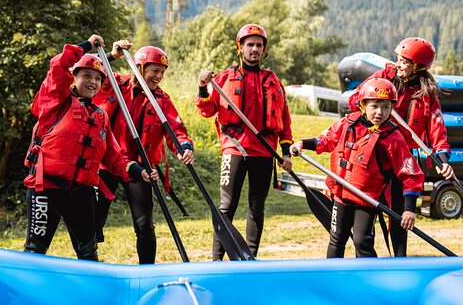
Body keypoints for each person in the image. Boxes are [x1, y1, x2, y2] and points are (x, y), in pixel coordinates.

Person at [23, 35, 156, 261]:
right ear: (74, 78)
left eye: (97, 78)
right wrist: (87, 45)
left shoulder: (100, 116)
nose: (92, 82)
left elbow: (115, 157)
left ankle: (93, 295)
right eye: (86, 76)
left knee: (88, 251)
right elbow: (58, 64)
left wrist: (138, 171)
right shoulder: (55, 100)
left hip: (80, 192)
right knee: (36, 250)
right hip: (46, 186)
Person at [291, 78, 425, 258]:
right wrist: (302, 144)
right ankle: (333, 277)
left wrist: (409, 208)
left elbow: (411, 174)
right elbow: (326, 140)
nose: (380, 112)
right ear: (363, 105)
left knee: (362, 241)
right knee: (337, 238)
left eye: (386, 107)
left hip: (367, 200)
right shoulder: (348, 123)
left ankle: (367, 280)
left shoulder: (393, 137)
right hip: (341, 195)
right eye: (375, 106)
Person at [348, 37, 454, 257]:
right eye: (398, 59)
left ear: (418, 67)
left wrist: (442, 158)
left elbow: (437, 127)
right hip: (373, 155)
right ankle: (365, 259)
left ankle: (399, 259)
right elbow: (354, 102)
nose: (398, 64)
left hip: (400, 158)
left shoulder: (427, 93)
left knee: (398, 215)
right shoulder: (384, 76)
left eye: (404, 62)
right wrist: (370, 98)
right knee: (367, 214)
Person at [196, 23, 293, 260]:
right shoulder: (223, 79)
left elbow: (285, 120)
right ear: (240, 48)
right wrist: (202, 87)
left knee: (256, 207)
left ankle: (249, 258)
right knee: (226, 206)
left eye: (259, 45)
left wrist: (286, 151)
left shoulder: (273, 81)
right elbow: (207, 110)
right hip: (235, 148)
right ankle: (217, 259)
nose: (255, 49)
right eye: (250, 44)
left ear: (264, 50)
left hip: (264, 151)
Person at [92, 41, 194, 264]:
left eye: (162, 72)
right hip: (107, 163)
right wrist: (114, 54)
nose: (158, 76)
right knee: (93, 222)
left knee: (144, 225)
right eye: (154, 71)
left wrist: (184, 147)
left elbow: (176, 131)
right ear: (139, 68)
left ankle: (146, 269)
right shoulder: (114, 84)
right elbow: (93, 67)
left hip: (141, 168)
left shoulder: (162, 101)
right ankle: (89, 265)